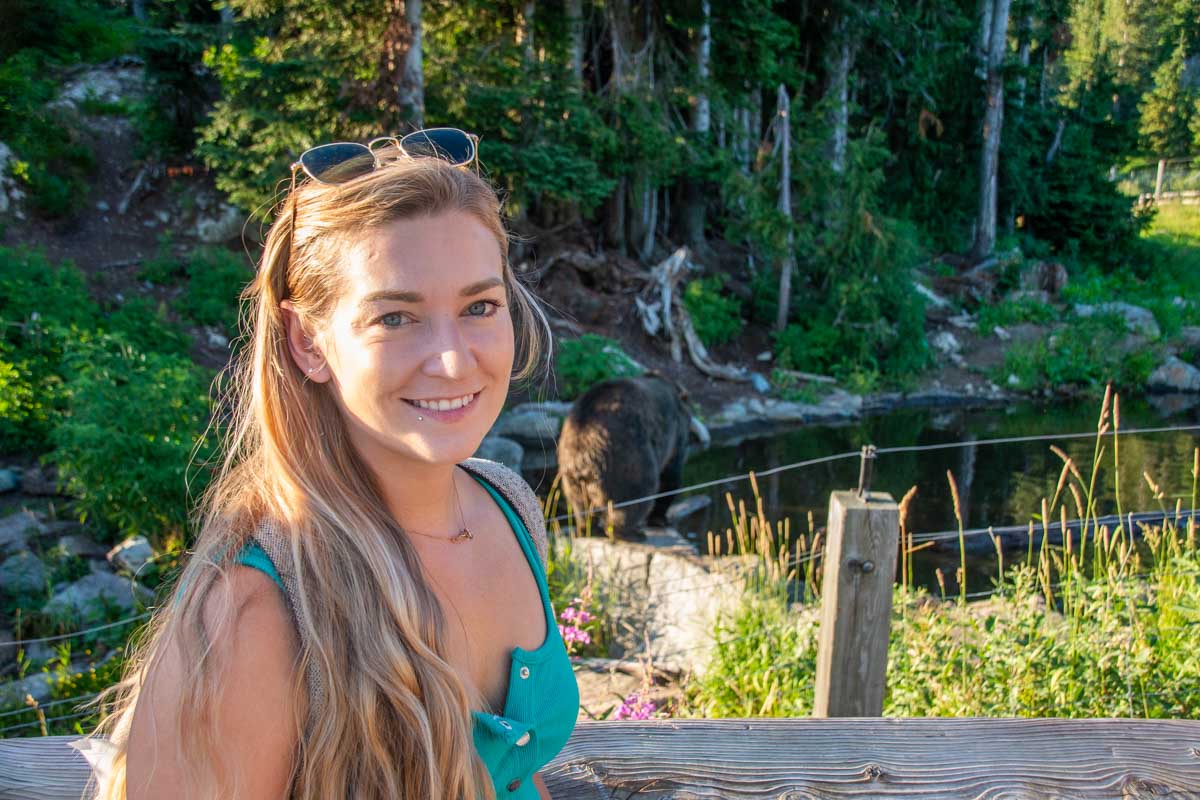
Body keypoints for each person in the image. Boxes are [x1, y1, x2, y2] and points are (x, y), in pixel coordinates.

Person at [89, 129, 579, 800]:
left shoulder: (508, 505)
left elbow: (515, 772)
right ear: (308, 342)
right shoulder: (247, 612)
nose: (453, 360)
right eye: (395, 318)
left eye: (479, 307)